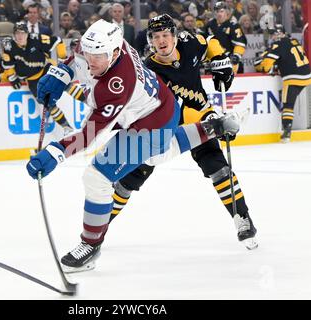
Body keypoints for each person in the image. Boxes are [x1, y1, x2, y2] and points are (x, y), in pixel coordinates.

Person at [26, 19, 241, 273]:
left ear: (116, 53)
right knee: (156, 155)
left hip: (150, 124)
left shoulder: (117, 85)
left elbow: (89, 134)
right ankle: (211, 128)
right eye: (89, 52)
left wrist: (56, 152)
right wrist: (60, 73)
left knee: (97, 178)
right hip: (162, 105)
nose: (90, 60)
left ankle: (90, 245)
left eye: (98, 56)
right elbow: (80, 59)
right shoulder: (112, 44)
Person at [107, 13, 257, 252]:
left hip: (200, 119)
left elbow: (210, 43)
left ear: (175, 36)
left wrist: (221, 60)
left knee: (219, 169)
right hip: (165, 126)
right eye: (156, 37)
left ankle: (243, 219)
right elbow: (166, 109)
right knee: (130, 178)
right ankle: (100, 226)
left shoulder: (190, 43)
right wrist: (210, 122)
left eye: (165, 34)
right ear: (151, 41)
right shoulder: (150, 71)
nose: (161, 40)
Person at [1, 22, 73, 132]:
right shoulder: (10, 47)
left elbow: (58, 41)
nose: (20, 36)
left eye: (22, 33)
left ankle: (89, 101)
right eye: (17, 33)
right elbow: (8, 65)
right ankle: (67, 127)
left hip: (46, 70)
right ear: (14, 35)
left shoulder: (35, 39)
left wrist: (63, 59)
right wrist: (12, 77)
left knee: (66, 85)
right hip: (32, 80)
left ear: (27, 33)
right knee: (49, 105)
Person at [254, 24, 311, 142]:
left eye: (274, 34)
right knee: (290, 102)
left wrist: (260, 65)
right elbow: (287, 57)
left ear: (280, 34)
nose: (273, 36)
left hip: (293, 77)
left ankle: (287, 131)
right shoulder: (293, 40)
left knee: (287, 105)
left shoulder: (278, 44)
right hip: (307, 75)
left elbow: (265, 66)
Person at [204, 1, 247, 74]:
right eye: (217, 11)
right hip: (214, 61)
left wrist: (236, 56)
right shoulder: (210, 25)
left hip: (229, 60)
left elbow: (240, 44)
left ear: (227, 12)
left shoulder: (233, 25)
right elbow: (206, 44)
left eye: (221, 11)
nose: (219, 14)